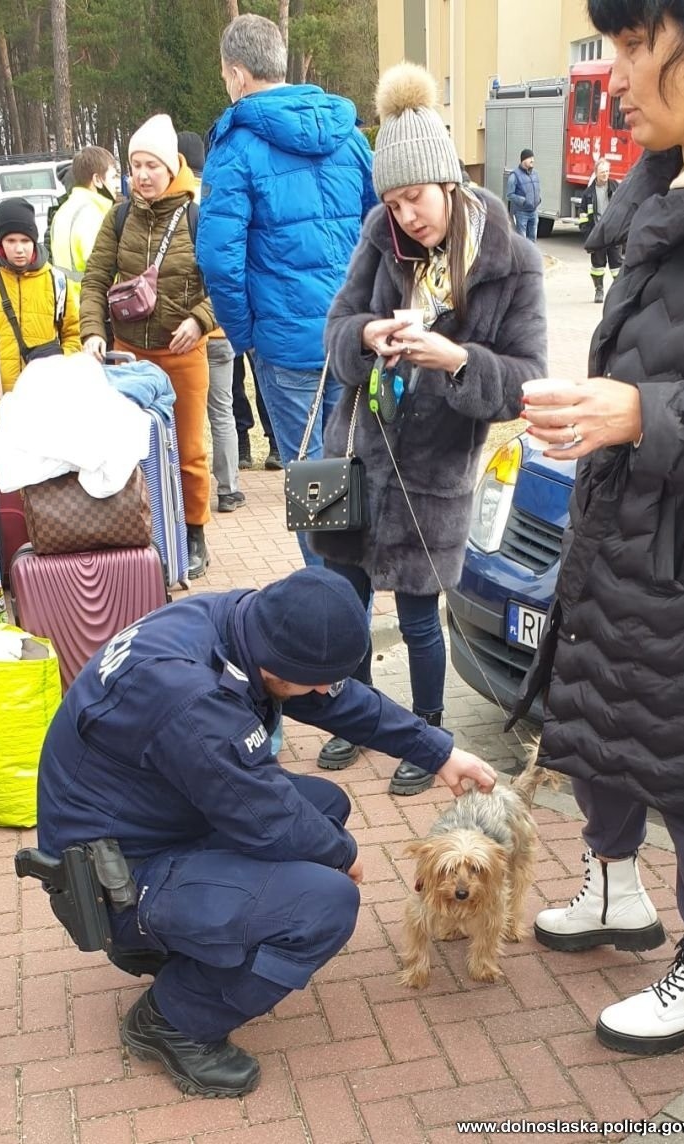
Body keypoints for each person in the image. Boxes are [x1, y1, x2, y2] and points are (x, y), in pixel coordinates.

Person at [37, 566, 497, 1097]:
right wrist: (341, 855)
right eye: (317, 677)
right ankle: (172, 1021)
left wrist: (438, 751)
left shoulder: (239, 625)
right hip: (111, 877)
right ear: (275, 661)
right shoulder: (191, 699)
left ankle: (182, 942)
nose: (325, 688)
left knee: (324, 804)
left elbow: (339, 701)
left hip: (147, 819)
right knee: (325, 903)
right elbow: (268, 820)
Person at [511, 0, 684, 1057]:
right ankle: (611, 888)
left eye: (636, 44)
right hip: (631, 522)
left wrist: (642, 412)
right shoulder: (660, 183)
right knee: (594, 715)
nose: (616, 72)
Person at [309, 62, 547, 793]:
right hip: (355, 454)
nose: (407, 215)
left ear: (448, 181)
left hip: (434, 470)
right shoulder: (378, 239)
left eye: (415, 198)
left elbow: (524, 383)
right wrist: (369, 334)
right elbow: (335, 331)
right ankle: (355, 717)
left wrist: (455, 359)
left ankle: (429, 736)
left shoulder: (514, 263)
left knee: (417, 618)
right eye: (394, 201)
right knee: (344, 600)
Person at [196, 13, 377, 565]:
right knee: (349, 472)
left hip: (288, 346)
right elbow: (381, 231)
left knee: (319, 490)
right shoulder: (348, 138)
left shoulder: (235, 146)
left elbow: (218, 259)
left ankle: (332, 623)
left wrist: (248, 334)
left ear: (236, 73)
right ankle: (350, 612)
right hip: (353, 337)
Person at [80, 114, 216, 579]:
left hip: (182, 355)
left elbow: (226, 284)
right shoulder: (118, 217)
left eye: (151, 165)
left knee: (189, 450)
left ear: (172, 165)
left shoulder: (199, 216)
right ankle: (143, 534)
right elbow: (96, 279)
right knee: (130, 450)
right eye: (135, 165)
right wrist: (93, 332)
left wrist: (200, 322)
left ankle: (194, 533)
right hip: (127, 355)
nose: (141, 174)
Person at [0, 197, 81, 419]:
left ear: (34, 241)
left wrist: (60, 362)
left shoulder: (56, 281)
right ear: (0, 243)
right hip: (5, 401)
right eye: (11, 240)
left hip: (48, 400)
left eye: (25, 240)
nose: (19, 249)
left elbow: (73, 333)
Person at [176, 130, 245, 513]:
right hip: (221, 328)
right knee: (223, 409)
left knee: (185, 416)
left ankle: (186, 493)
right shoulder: (216, 195)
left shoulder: (177, 204)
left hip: (187, 331)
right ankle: (229, 488)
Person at [48, 145, 120, 305]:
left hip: (69, 308)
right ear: (96, 180)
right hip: (93, 307)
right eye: (113, 177)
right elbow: (102, 270)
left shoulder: (62, 211)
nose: (117, 184)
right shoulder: (93, 215)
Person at [578, 157, 622, 302]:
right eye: (602, 172)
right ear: (596, 172)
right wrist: (588, 235)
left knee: (617, 265)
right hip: (597, 233)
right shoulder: (588, 194)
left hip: (614, 232)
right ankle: (599, 290)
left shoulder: (616, 186)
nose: (605, 174)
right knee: (597, 265)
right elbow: (583, 216)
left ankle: (618, 293)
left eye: (607, 171)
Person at [232, 352, 281, 471]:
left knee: (264, 383)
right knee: (233, 385)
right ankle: (241, 442)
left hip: (258, 334)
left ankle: (276, 445)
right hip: (228, 335)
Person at [506, 148, 541, 241]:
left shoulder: (535, 174)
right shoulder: (514, 176)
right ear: (523, 159)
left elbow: (537, 189)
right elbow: (510, 194)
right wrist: (523, 201)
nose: (532, 160)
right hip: (521, 213)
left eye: (533, 158)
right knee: (522, 240)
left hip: (533, 212)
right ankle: (522, 256)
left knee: (532, 239)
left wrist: (538, 199)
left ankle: (530, 256)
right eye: (530, 158)